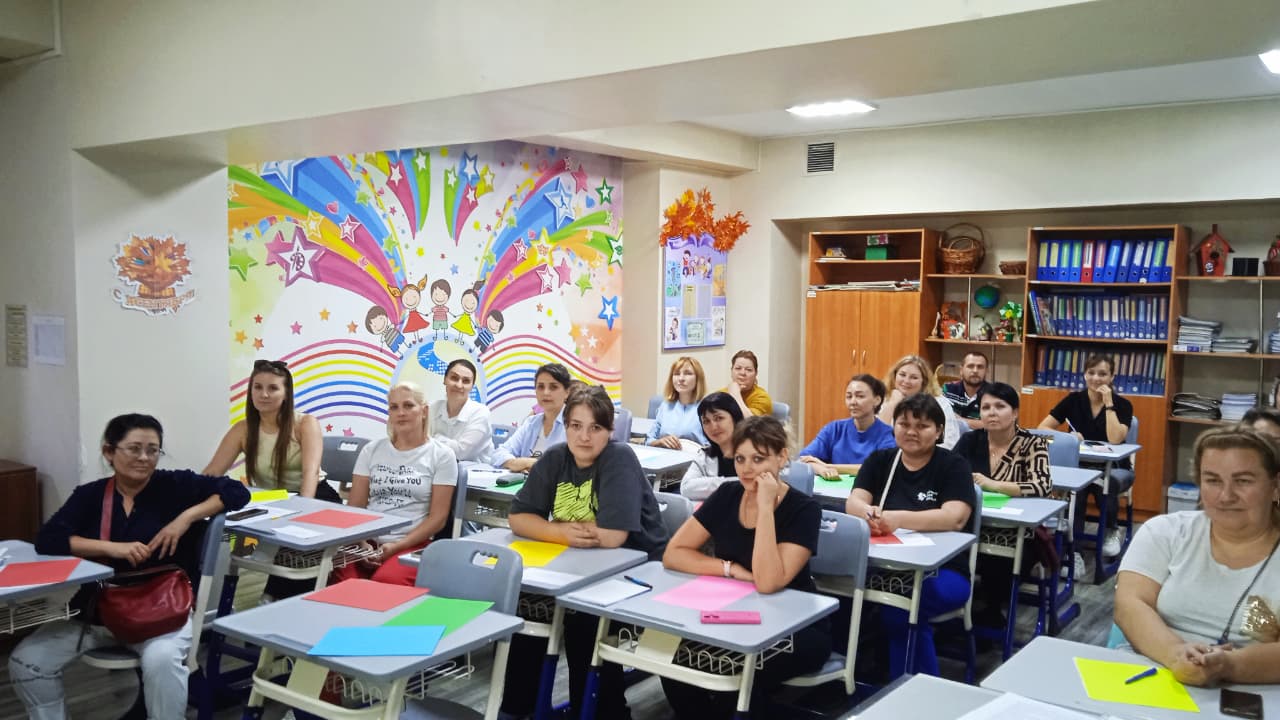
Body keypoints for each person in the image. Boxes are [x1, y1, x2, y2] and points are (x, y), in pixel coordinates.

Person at [9, 413, 250, 720]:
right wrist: (111, 548)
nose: (144, 458)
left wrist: (185, 518)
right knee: (27, 661)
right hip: (99, 612)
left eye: (153, 450)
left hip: (163, 611)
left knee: (161, 661)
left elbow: (236, 491)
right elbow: (48, 539)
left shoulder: (174, 485)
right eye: (134, 449)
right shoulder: (91, 495)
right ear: (109, 452)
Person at [501, 385, 669, 720]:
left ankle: (602, 712)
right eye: (576, 426)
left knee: (583, 621)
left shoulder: (619, 458)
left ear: (610, 430)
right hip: (578, 564)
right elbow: (518, 517)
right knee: (528, 607)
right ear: (565, 427)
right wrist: (559, 532)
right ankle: (517, 709)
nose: (584, 436)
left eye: (595, 427)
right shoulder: (555, 457)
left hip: (638, 574)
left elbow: (612, 536)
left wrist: (551, 528)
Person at [661, 416, 830, 718]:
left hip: (797, 626)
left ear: (781, 458)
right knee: (673, 661)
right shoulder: (728, 494)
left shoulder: (804, 509)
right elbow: (674, 553)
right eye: (740, 459)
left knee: (733, 676)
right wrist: (730, 569)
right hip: (735, 612)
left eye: (758, 459)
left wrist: (765, 507)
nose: (747, 468)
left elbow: (767, 581)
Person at [1115, 426, 1280, 686]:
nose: (1226, 496)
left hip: (1252, 689)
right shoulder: (1165, 532)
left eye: (1243, 481)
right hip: (1152, 671)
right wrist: (1176, 655)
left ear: (1275, 487)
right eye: (1213, 480)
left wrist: (1228, 665)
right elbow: (1129, 604)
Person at [847, 394, 976, 678]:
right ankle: (852, 678)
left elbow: (955, 517)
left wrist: (897, 519)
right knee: (840, 594)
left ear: (938, 431)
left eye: (922, 426)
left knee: (902, 607)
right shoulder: (881, 460)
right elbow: (853, 502)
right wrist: (870, 513)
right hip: (884, 565)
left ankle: (915, 690)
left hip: (943, 571)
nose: (911, 432)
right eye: (904, 424)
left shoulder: (953, 465)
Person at [333, 381, 457, 586]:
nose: (401, 413)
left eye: (408, 406)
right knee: (342, 581)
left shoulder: (442, 455)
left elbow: (438, 519)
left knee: (386, 581)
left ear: (424, 411)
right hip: (366, 542)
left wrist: (397, 546)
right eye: (394, 407)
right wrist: (362, 544)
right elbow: (355, 508)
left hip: (412, 543)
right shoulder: (371, 450)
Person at [952, 382, 1052, 625]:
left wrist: (994, 485)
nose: (992, 413)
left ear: (1015, 412)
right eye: (986, 408)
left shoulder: (1032, 443)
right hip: (973, 523)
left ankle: (991, 615)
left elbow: (1042, 485)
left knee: (998, 561)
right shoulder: (970, 440)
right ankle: (958, 611)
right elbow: (947, 473)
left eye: (1000, 406)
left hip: (1018, 531)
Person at [1037, 353, 1134, 558]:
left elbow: (1116, 439)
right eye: (1091, 373)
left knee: (1105, 487)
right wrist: (1068, 437)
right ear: (1084, 375)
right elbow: (1043, 428)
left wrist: (1109, 404)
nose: (1096, 378)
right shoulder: (1074, 400)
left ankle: (1111, 531)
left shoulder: (1122, 404)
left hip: (1114, 467)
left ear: (1112, 377)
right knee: (1076, 492)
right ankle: (1075, 551)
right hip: (1079, 465)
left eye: (1103, 374)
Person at [203, 359, 334, 499]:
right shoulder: (242, 429)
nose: (264, 394)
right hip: (271, 498)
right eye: (258, 387)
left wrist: (303, 506)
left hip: (313, 496)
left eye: (273, 388)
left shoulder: (305, 423)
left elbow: (311, 473)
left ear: (286, 394)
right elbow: (213, 472)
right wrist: (192, 492)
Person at [798, 373, 896, 478]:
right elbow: (804, 460)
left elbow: (881, 468)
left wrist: (828, 466)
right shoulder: (834, 429)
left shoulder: (887, 434)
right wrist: (820, 469)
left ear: (877, 400)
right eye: (849, 396)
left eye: (860, 396)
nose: (853, 402)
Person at [490, 363, 571, 473]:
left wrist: (533, 464)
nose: (546, 392)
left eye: (553, 387)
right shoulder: (531, 423)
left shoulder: (574, 425)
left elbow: (571, 466)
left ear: (567, 392)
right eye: (541, 387)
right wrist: (517, 463)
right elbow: (498, 453)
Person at [877, 354, 963, 449]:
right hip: (890, 455)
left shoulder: (940, 403)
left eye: (914, 377)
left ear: (924, 382)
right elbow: (876, 438)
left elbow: (949, 443)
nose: (906, 381)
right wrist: (892, 404)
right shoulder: (882, 399)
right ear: (894, 376)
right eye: (902, 375)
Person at [680, 392, 746, 500]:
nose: (713, 427)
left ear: (735, 417)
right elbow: (686, 488)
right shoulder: (705, 455)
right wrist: (730, 484)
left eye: (719, 418)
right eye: (706, 421)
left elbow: (757, 484)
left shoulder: (755, 451)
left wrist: (710, 486)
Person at [428, 358, 495, 463]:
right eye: (454, 378)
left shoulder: (481, 413)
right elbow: (416, 443)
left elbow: (460, 453)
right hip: (438, 466)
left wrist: (434, 438)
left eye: (466, 381)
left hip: (475, 470)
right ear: (445, 379)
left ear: (472, 387)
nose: (459, 385)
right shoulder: (432, 408)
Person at [647, 356, 708, 448]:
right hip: (666, 454)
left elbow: (714, 446)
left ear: (698, 379)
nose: (681, 378)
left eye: (688, 373)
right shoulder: (665, 406)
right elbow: (649, 440)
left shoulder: (707, 408)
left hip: (695, 455)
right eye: (676, 374)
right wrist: (659, 442)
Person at [942, 351, 992, 431]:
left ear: (986, 371)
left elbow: (993, 425)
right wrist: (978, 423)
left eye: (980, 367)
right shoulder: (948, 389)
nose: (975, 370)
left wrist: (959, 420)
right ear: (961, 370)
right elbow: (941, 418)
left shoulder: (994, 394)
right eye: (970, 366)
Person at [722, 349, 772, 417]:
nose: (742, 373)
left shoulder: (762, 398)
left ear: (756, 373)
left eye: (748, 370)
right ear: (731, 371)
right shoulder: (722, 393)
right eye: (738, 368)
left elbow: (751, 421)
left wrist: (735, 396)